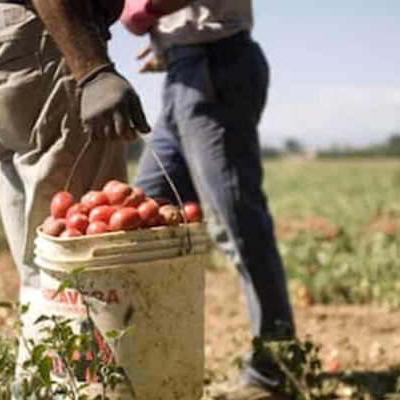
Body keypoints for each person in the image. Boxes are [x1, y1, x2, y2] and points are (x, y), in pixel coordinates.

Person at [0, 0, 149, 393]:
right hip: (39, 38)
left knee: (45, 271)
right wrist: (92, 69)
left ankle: (38, 389)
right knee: (84, 273)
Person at [121, 1, 296, 399]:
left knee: (237, 224)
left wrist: (143, 11)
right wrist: (169, 39)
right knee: (144, 213)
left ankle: (273, 371)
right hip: (186, 69)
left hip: (215, 66)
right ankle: (151, 361)